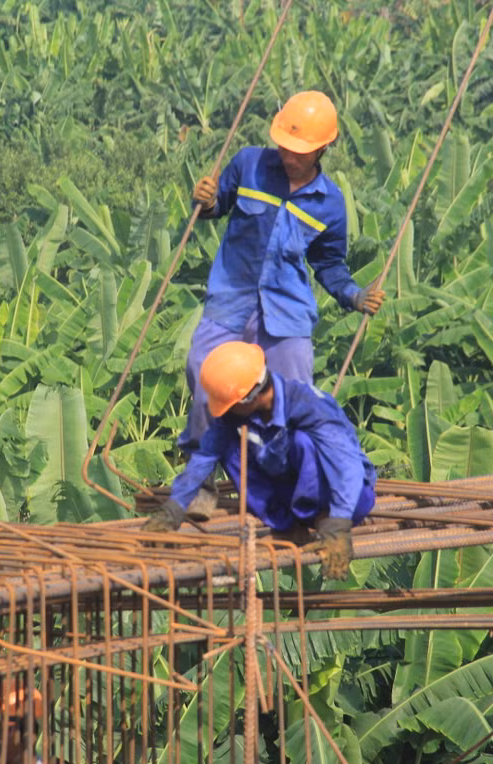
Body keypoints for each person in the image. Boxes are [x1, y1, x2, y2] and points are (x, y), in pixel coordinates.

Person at [178, 90, 385, 518]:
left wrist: (354, 295)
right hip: (230, 298)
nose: (288, 155)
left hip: (286, 310)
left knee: (294, 396)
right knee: (203, 373)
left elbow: (328, 264)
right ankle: (201, 485)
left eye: (299, 150)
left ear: (324, 148)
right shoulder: (249, 163)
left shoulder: (329, 203)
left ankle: (304, 486)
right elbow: (218, 205)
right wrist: (207, 200)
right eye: (285, 145)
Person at [144, 341, 377, 579]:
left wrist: (338, 524)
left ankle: (324, 519)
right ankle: (288, 527)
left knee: (302, 441)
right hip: (291, 503)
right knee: (226, 446)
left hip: (348, 499)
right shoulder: (233, 417)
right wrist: (173, 510)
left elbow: (346, 467)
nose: (225, 411)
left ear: (249, 398)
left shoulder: (308, 404)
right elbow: (203, 457)